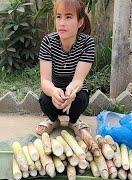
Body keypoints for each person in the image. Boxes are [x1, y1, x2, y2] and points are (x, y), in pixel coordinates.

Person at [36, 0, 95, 136]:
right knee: (45, 100)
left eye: (68, 17)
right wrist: (53, 92)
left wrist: (70, 93)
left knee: (81, 99)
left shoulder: (87, 43)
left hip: (75, 91)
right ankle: (52, 120)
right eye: (58, 16)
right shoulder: (48, 42)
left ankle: (74, 122)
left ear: (80, 22)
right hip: (54, 88)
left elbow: (78, 80)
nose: (62, 22)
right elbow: (45, 81)